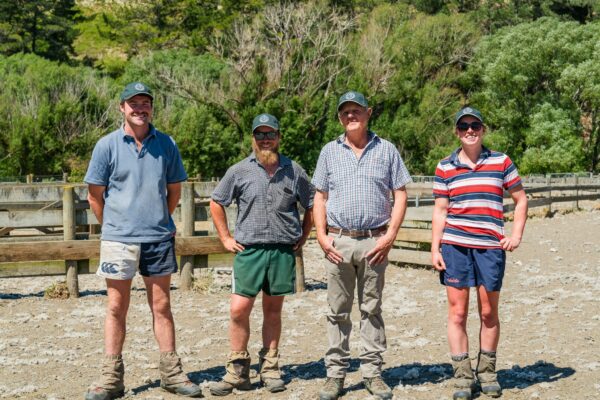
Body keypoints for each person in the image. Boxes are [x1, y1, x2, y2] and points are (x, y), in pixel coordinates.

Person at [84, 82, 202, 399]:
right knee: (116, 307)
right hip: (118, 239)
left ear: (151, 108)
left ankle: (172, 374)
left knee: (162, 306)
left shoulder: (166, 144)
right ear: (122, 108)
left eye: (145, 103)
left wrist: (159, 218)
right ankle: (111, 378)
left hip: (158, 238)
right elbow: (95, 194)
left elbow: (175, 189)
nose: (139, 108)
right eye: (133, 103)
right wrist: (112, 224)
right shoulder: (106, 145)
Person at [312, 91, 412, 400]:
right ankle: (336, 374)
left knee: (371, 308)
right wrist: (321, 235)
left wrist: (390, 235)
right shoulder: (329, 151)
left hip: (374, 241)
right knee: (337, 311)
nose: (351, 116)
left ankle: (372, 372)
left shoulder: (387, 150)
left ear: (368, 113)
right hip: (339, 240)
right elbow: (320, 197)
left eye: (356, 110)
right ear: (340, 117)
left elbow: (400, 194)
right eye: (345, 112)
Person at [208, 113, 314, 396]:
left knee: (273, 310)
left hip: (281, 250)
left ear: (279, 137)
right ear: (253, 139)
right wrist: (225, 237)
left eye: (270, 134)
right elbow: (217, 202)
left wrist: (303, 236)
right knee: (238, 309)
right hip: (250, 250)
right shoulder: (239, 171)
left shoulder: (295, 170)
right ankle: (237, 370)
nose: (265, 139)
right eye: (260, 134)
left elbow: (312, 204)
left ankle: (270, 368)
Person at [431, 106, 528, 400]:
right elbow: (440, 210)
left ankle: (487, 371)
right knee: (457, 312)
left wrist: (515, 235)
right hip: (455, 246)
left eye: (475, 125)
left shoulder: (501, 161)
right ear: (457, 132)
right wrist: (435, 247)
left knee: (488, 312)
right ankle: (462, 375)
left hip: (490, 248)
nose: (470, 130)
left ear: (483, 129)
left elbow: (520, 200)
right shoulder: (444, 167)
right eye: (464, 126)